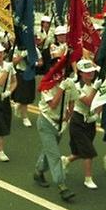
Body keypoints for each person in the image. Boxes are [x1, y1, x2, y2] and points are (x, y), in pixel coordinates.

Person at [33, 70, 77, 202]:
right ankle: (62, 186)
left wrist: (67, 117)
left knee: (49, 150)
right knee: (55, 155)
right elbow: (53, 105)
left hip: (60, 124)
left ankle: (38, 171)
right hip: (46, 122)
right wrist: (61, 89)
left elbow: (72, 101)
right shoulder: (47, 85)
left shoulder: (69, 84)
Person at [62, 59, 102, 190]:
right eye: (87, 72)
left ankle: (66, 160)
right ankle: (88, 179)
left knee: (83, 150)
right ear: (80, 73)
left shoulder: (96, 85)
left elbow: (101, 101)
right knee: (88, 151)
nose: (90, 74)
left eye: (92, 71)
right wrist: (96, 88)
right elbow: (88, 101)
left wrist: (96, 115)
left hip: (90, 121)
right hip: (78, 120)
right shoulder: (76, 86)